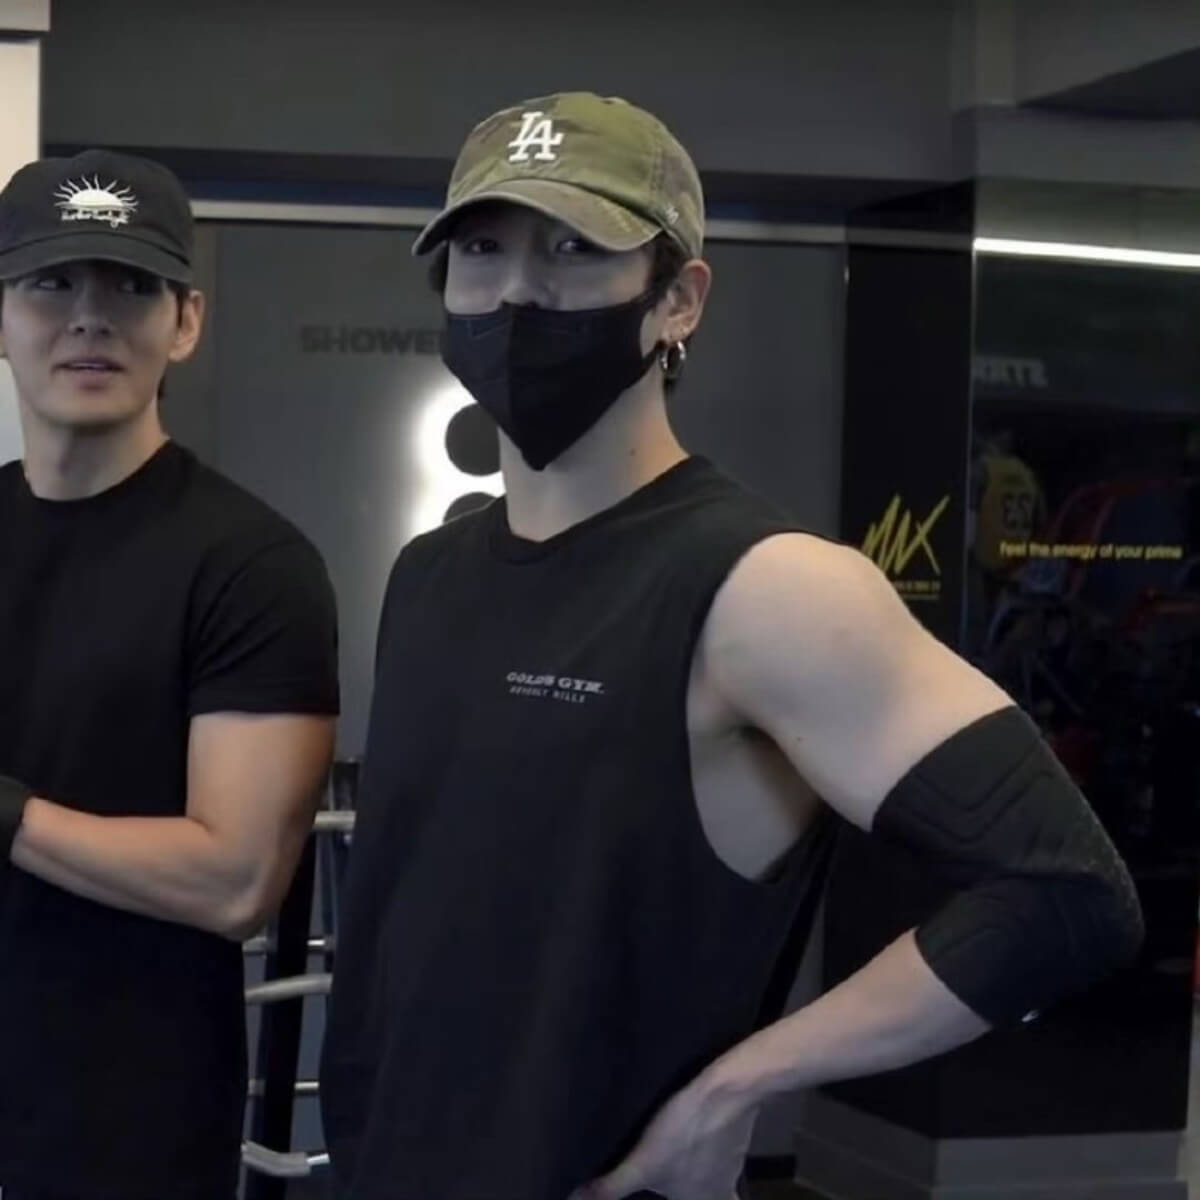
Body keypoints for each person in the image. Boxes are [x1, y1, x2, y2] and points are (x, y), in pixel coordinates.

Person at [319, 93, 1143, 1200]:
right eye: (482, 251)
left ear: (679, 299)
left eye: (574, 249)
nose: (516, 291)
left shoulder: (768, 588)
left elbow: (1065, 894)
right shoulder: (431, 574)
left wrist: (739, 1087)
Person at [0, 150, 340, 1200]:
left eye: (130, 285)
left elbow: (233, 879)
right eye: (52, 281)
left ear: (185, 321)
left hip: (119, 1129)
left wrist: (5, 814)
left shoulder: (251, 564)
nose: (88, 318)